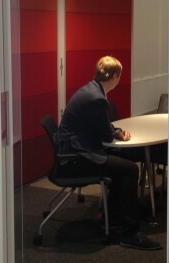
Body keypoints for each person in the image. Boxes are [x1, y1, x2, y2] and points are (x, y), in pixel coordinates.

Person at [55, 56, 161, 251]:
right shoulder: (97, 98)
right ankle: (126, 231)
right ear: (114, 76)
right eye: (119, 76)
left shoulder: (92, 89)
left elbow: (101, 127)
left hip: (76, 150)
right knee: (129, 170)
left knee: (123, 163)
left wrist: (116, 132)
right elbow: (105, 134)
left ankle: (115, 216)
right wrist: (116, 134)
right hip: (77, 158)